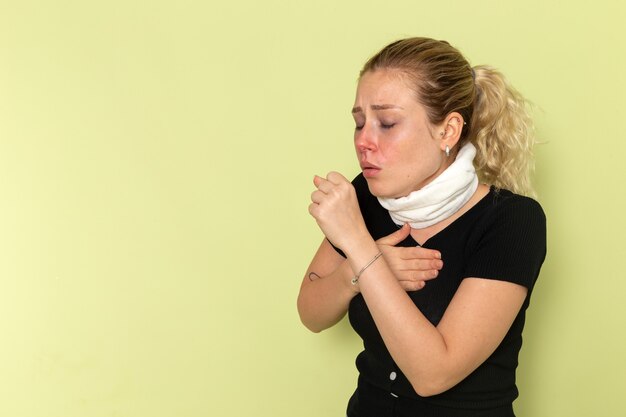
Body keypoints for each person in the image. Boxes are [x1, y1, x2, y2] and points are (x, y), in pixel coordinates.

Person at [297, 37, 547, 417]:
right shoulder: (366, 194)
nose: (364, 141)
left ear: (447, 131)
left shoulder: (512, 221)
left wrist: (362, 251)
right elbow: (311, 313)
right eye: (360, 123)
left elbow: (433, 374)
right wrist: (360, 271)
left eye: (387, 123)